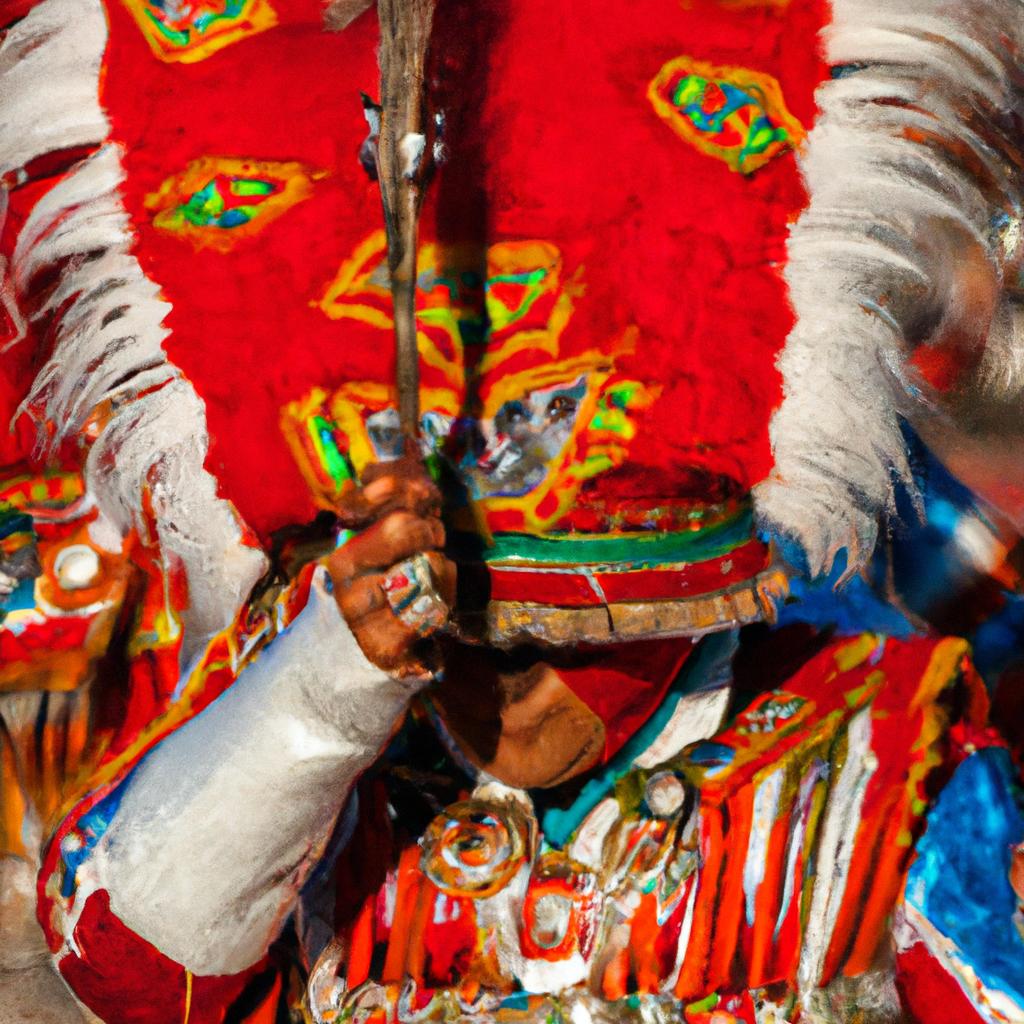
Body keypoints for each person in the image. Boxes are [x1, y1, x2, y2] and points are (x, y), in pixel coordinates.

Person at [3, 0, 1024, 1020]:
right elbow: (123, 965)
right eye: (456, 635)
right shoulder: (333, 755)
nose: (498, 673)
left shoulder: (889, 760)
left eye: (559, 630)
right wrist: (320, 696)